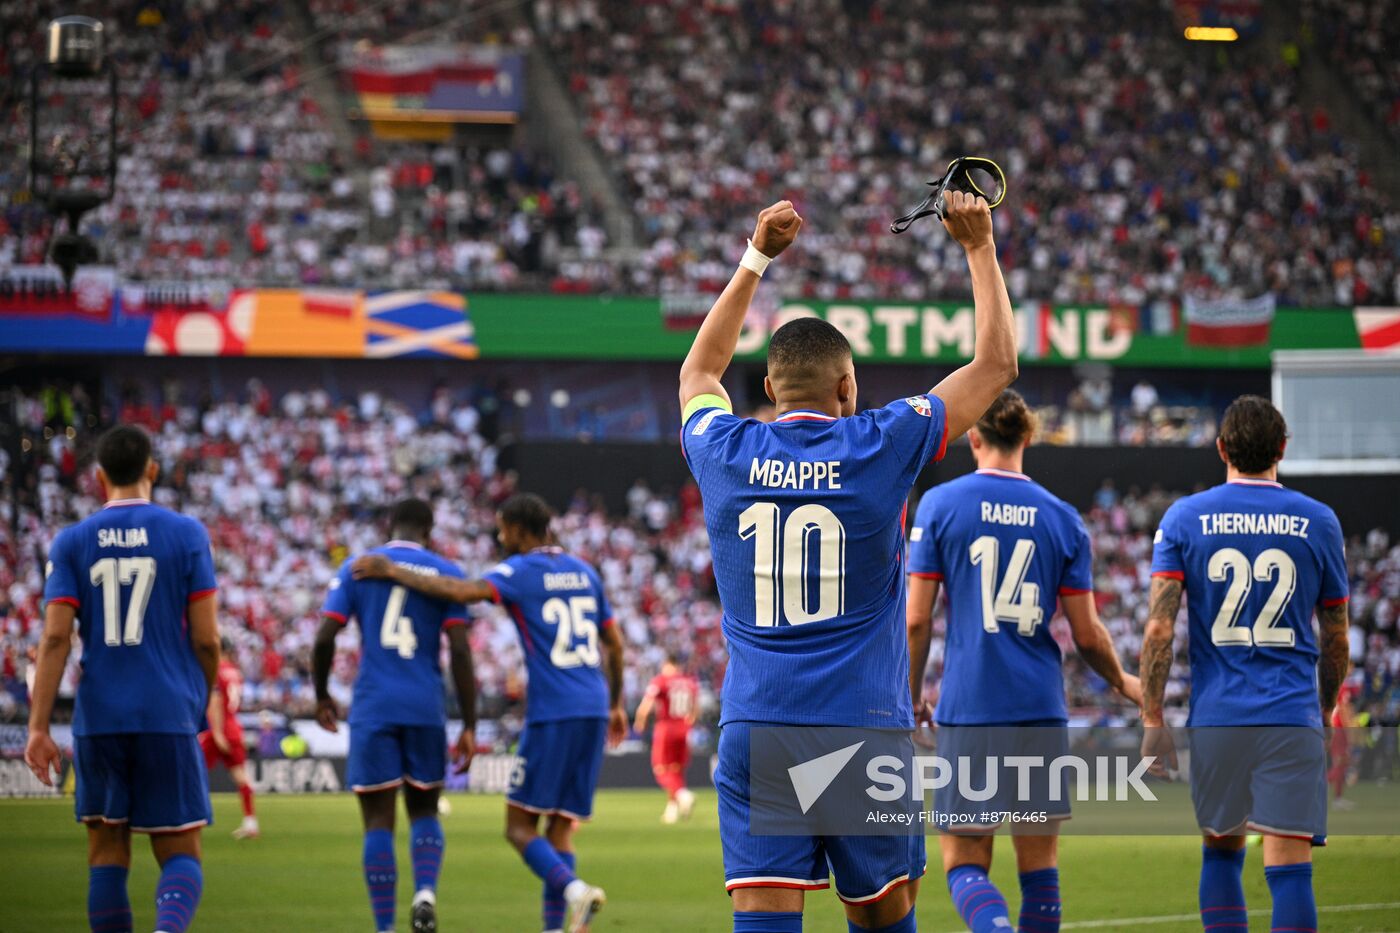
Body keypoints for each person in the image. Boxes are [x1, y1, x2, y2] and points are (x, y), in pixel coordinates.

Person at [677, 192, 1018, 933]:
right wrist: (979, 247)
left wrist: (756, 256)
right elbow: (996, 364)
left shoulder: (723, 451)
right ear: (847, 388)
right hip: (863, 727)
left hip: (758, 723)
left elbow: (699, 370)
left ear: (767, 390)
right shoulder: (879, 444)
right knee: (884, 917)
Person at [906, 389, 1142, 933]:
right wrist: (1127, 683)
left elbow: (917, 620)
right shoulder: (1062, 518)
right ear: (1028, 437)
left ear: (973, 437)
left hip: (972, 705)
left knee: (965, 862)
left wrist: (911, 693)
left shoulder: (943, 504)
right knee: (1040, 870)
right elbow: (1086, 634)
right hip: (1039, 705)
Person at [353, 492, 626, 933]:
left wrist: (392, 571)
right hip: (594, 705)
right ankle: (558, 928)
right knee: (561, 829)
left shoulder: (519, 571)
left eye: (502, 529)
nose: (499, 537)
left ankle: (576, 891)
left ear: (517, 530)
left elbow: (462, 590)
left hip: (553, 711)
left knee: (518, 827)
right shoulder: (584, 571)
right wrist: (615, 703)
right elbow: (613, 643)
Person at [1140, 395, 1351, 933]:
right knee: (1291, 872)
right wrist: (1324, 710)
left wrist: (1152, 718)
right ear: (1283, 448)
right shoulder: (1319, 521)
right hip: (1289, 712)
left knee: (1221, 855)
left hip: (1219, 717)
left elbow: (1160, 627)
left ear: (1220, 449)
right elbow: (1335, 635)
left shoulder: (1185, 518)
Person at [25, 424, 221, 933]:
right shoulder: (186, 533)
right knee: (180, 851)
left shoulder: (71, 541)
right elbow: (207, 640)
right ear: (152, 469)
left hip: (100, 717)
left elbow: (54, 639)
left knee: (106, 853)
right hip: (166, 712)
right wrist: (199, 697)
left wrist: (38, 728)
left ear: (98, 477)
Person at [312, 498, 478, 933]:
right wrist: (471, 723)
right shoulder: (448, 571)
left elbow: (324, 637)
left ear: (390, 525)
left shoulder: (359, 567)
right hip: (425, 705)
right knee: (424, 810)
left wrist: (321, 694)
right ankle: (425, 894)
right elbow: (459, 651)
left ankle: (385, 927)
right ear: (429, 529)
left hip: (374, 706)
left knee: (378, 822)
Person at [198, 636, 259, 839]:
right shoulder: (235, 672)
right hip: (235, 728)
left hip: (219, 729)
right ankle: (251, 822)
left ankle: (194, 818)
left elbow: (215, 701)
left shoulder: (215, 670)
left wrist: (216, 733)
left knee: (193, 772)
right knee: (241, 776)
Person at [633, 652, 700, 823]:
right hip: (684, 729)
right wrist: (689, 724)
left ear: (667, 665)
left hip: (666, 729)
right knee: (676, 770)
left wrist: (640, 722)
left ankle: (683, 795)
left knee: (661, 770)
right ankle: (672, 810)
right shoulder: (689, 682)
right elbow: (696, 710)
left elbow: (646, 705)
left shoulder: (661, 680)